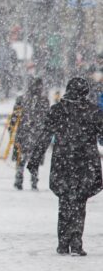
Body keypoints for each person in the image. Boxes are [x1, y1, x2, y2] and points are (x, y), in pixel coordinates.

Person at [46, 77, 103, 256]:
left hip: (63, 162)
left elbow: (44, 135)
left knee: (64, 201)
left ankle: (63, 242)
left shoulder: (57, 111)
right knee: (79, 202)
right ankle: (76, 242)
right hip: (86, 164)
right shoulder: (94, 112)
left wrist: (33, 159)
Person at [8, 78, 49, 191]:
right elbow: (47, 118)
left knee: (21, 158)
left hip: (23, 132)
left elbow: (14, 116)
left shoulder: (21, 99)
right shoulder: (44, 100)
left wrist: (11, 129)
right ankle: (34, 181)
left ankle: (19, 180)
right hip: (38, 133)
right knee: (35, 158)